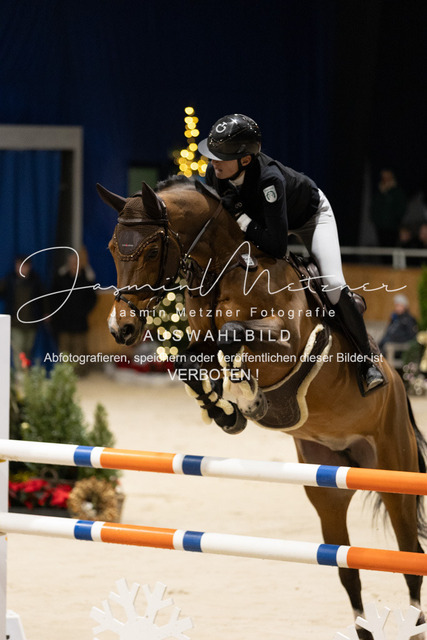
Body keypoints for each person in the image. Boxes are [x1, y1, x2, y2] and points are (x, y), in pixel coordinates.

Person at [198, 113, 384, 390]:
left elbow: (277, 245)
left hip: (310, 218)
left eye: (221, 157)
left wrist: (240, 216)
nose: (213, 162)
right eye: (213, 155)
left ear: (245, 160)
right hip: (265, 221)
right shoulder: (216, 174)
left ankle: (366, 362)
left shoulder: (269, 180)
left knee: (332, 285)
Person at [50, 248, 97, 371]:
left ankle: (78, 374)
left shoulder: (86, 280)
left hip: (80, 324)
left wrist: (83, 312)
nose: (74, 266)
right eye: (72, 263)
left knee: (79, 353)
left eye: (76, 263)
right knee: (64, 352)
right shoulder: (60, 279)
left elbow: (92, 300)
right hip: (64, 324)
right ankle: (66, 374)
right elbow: (54, 299)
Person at [0, 255, 45, 369]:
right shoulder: (9, 280)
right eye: (18, 265)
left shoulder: (35, 280)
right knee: (18, 350)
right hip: (15, 323)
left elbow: (43, 298)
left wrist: (46, 312)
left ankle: (26, 372)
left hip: (31, 322)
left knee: (28, 349)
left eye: (24, 265)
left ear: (29, 267)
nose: (21, 268)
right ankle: (20, 373)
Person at [370, 168, 406, 247]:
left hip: (393, 227)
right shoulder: (378, 193)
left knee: (392, 246)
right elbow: (374, 208)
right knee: (382, 247)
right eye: (384, 177)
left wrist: (396, 220)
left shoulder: (397, 192)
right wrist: (376, 221)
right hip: (380, 227)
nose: (385, 180)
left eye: (387, 177)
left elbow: (401, 209)